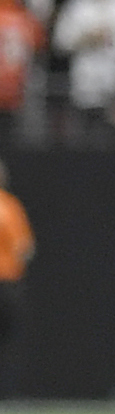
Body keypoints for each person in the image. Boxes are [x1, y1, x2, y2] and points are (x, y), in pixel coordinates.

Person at [0, 161, 30, 397]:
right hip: (7, 282)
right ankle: (7, 394)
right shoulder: (10, 207)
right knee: (8, 340)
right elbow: (25, 248)